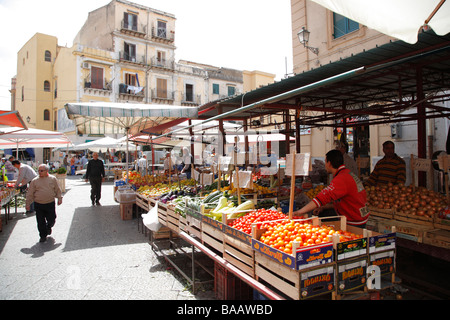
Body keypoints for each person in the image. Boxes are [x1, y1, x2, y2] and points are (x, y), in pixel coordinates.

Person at [292, 149, 369, 228]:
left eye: (325, 162)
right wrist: (323, 207)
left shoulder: (341, 179)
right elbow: (343, 200)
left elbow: (322, 197)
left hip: (354, 220)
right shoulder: (347, 173)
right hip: (359, 216)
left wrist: (299, 212)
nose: (325, 165)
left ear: (329, 163)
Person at [26, 164, 63, 242]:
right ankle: (43, 235)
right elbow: (30, 193)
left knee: (52, 219)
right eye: (38, 170)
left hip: (50, 203)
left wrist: (60, 198)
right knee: (40, 221)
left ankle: (48, 226)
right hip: (39, 204)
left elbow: (57, 189)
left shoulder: (52, 179)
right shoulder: (35, 181)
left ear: (47, 171)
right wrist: (28, 204)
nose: (39, 172)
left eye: (41, 170)